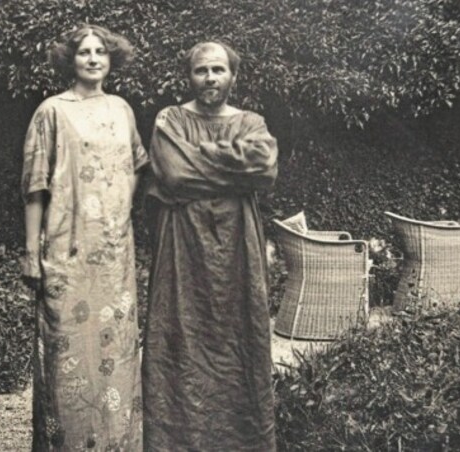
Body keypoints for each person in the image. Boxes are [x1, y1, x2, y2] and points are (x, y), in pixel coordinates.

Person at [142, 41, 278, 451]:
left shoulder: (251, 121)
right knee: (179, 330)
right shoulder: (171, 119)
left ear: (233, 76)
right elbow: (174, 174)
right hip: (183, 246)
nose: (210, 78)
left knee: (240, 331)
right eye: (201, 70)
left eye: (219, 70)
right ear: (189, 76)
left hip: (238, 247)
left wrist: (201, 158)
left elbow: (265, 167)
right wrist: (234, 171)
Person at [21, 25, 148, 451]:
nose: (92, 59)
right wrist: (30, 251)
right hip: (66, 250)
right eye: (83, 53)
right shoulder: (52, 112)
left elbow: (135, 167)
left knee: (116, 353)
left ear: (112, 59)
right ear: (69, 60)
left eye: (100, 52)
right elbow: (35, 186)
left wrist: (118, 214)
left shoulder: (122, 109)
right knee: (67, 354)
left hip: (114, 255)